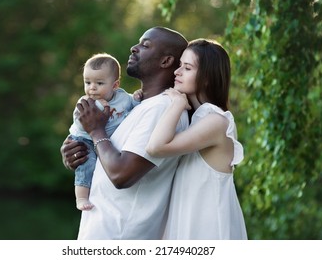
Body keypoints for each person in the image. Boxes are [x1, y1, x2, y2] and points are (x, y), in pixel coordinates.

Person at [60, 26, 188, 239]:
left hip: (122, 236)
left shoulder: (163, 109)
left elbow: (121, 175)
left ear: (165, 61)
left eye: (145, 45)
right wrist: (78, 151)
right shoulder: (137, 106)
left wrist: (96, 130)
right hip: (103, 231)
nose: (134, 48)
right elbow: (106, 152)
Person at [146, 38, 247, 239]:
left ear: (207, 77)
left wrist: (176, 103)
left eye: (187, 67)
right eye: (180, 65)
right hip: (188, 224)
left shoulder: (216, 122)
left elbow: (155, 147)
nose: (177, 71)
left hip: (208, 229)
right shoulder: (196, 119)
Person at [68, 53, 141, 211]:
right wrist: (98, 110)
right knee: (86, 164)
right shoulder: (86, 102)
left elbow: (133, 105)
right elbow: (81, 124)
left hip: (105, 140)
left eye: (99, 83)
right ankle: (81, 197)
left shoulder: (122, 97)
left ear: (115, 85)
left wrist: (137, 98)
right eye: (87, 82)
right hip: (84, 138)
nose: (92, 87)